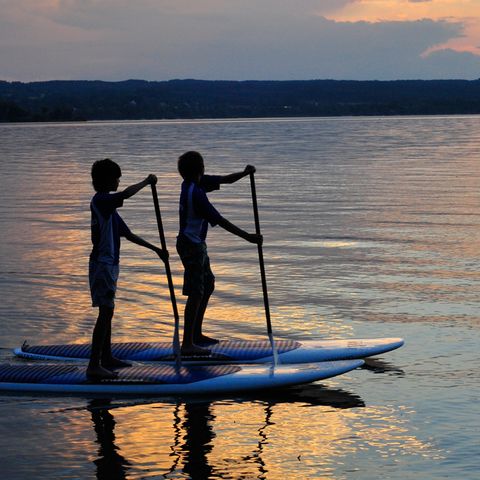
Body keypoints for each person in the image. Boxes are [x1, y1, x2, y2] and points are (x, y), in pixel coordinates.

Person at [87, 158, 168, 379]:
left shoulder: (110, 210)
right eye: (116, 178)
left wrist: (156, 250)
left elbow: (128, 234)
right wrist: (146, 181)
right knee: (105, 312)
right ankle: (94, 365)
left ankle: (107, 357)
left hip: (110, 265)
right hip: (102, 265)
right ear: (105, 180)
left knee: (109, 310)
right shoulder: (102, 201)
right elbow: (125, 195)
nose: (118, 181)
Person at [176, 151, 262, 356]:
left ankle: (196, 335)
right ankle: (187, 343)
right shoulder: (195, 193)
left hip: (197, 244)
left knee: (209, 284)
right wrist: (248, 237)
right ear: (200, 169)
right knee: (196, 292)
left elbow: (225, 180)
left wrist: (244, 173)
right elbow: (221, 220)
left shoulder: (194, 183)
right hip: (191, 245)